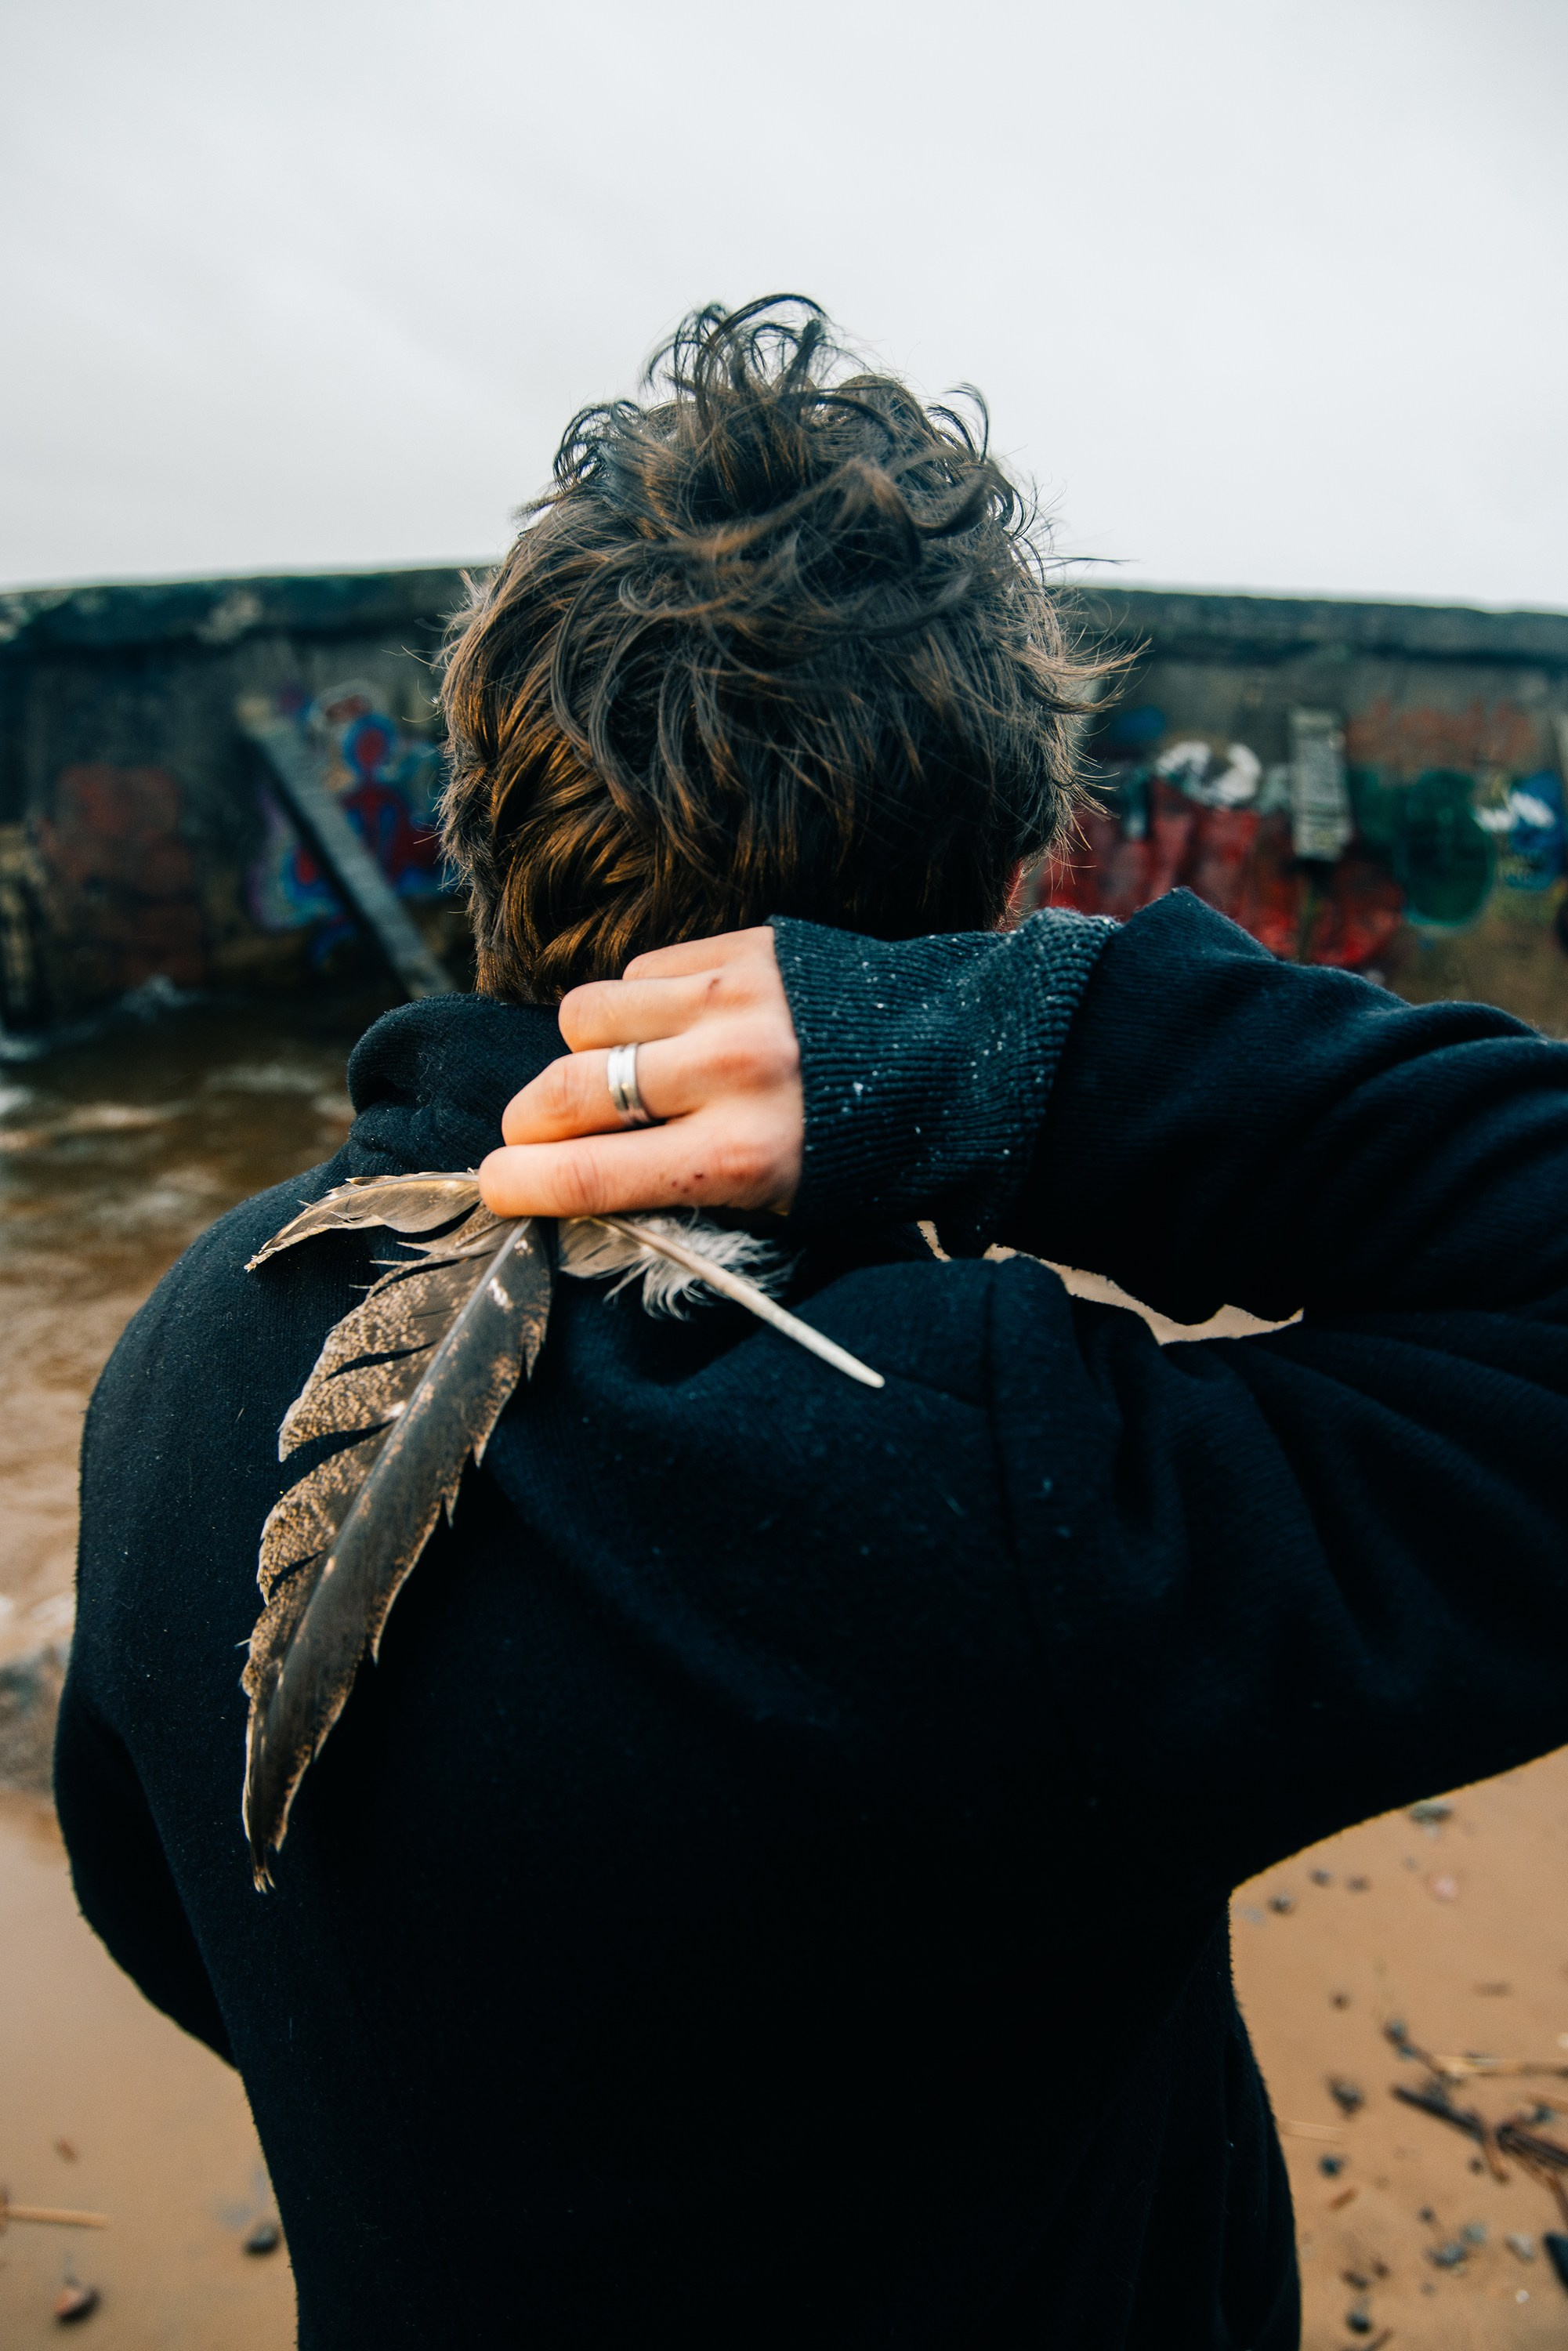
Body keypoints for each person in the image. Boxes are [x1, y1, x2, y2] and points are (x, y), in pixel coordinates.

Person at [56, 299, 1568, 2350]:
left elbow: (172, 1913)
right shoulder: (994, 1493)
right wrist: (1055, 1048)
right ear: (1007, 879)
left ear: (483, 815)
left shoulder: (186, 1348)